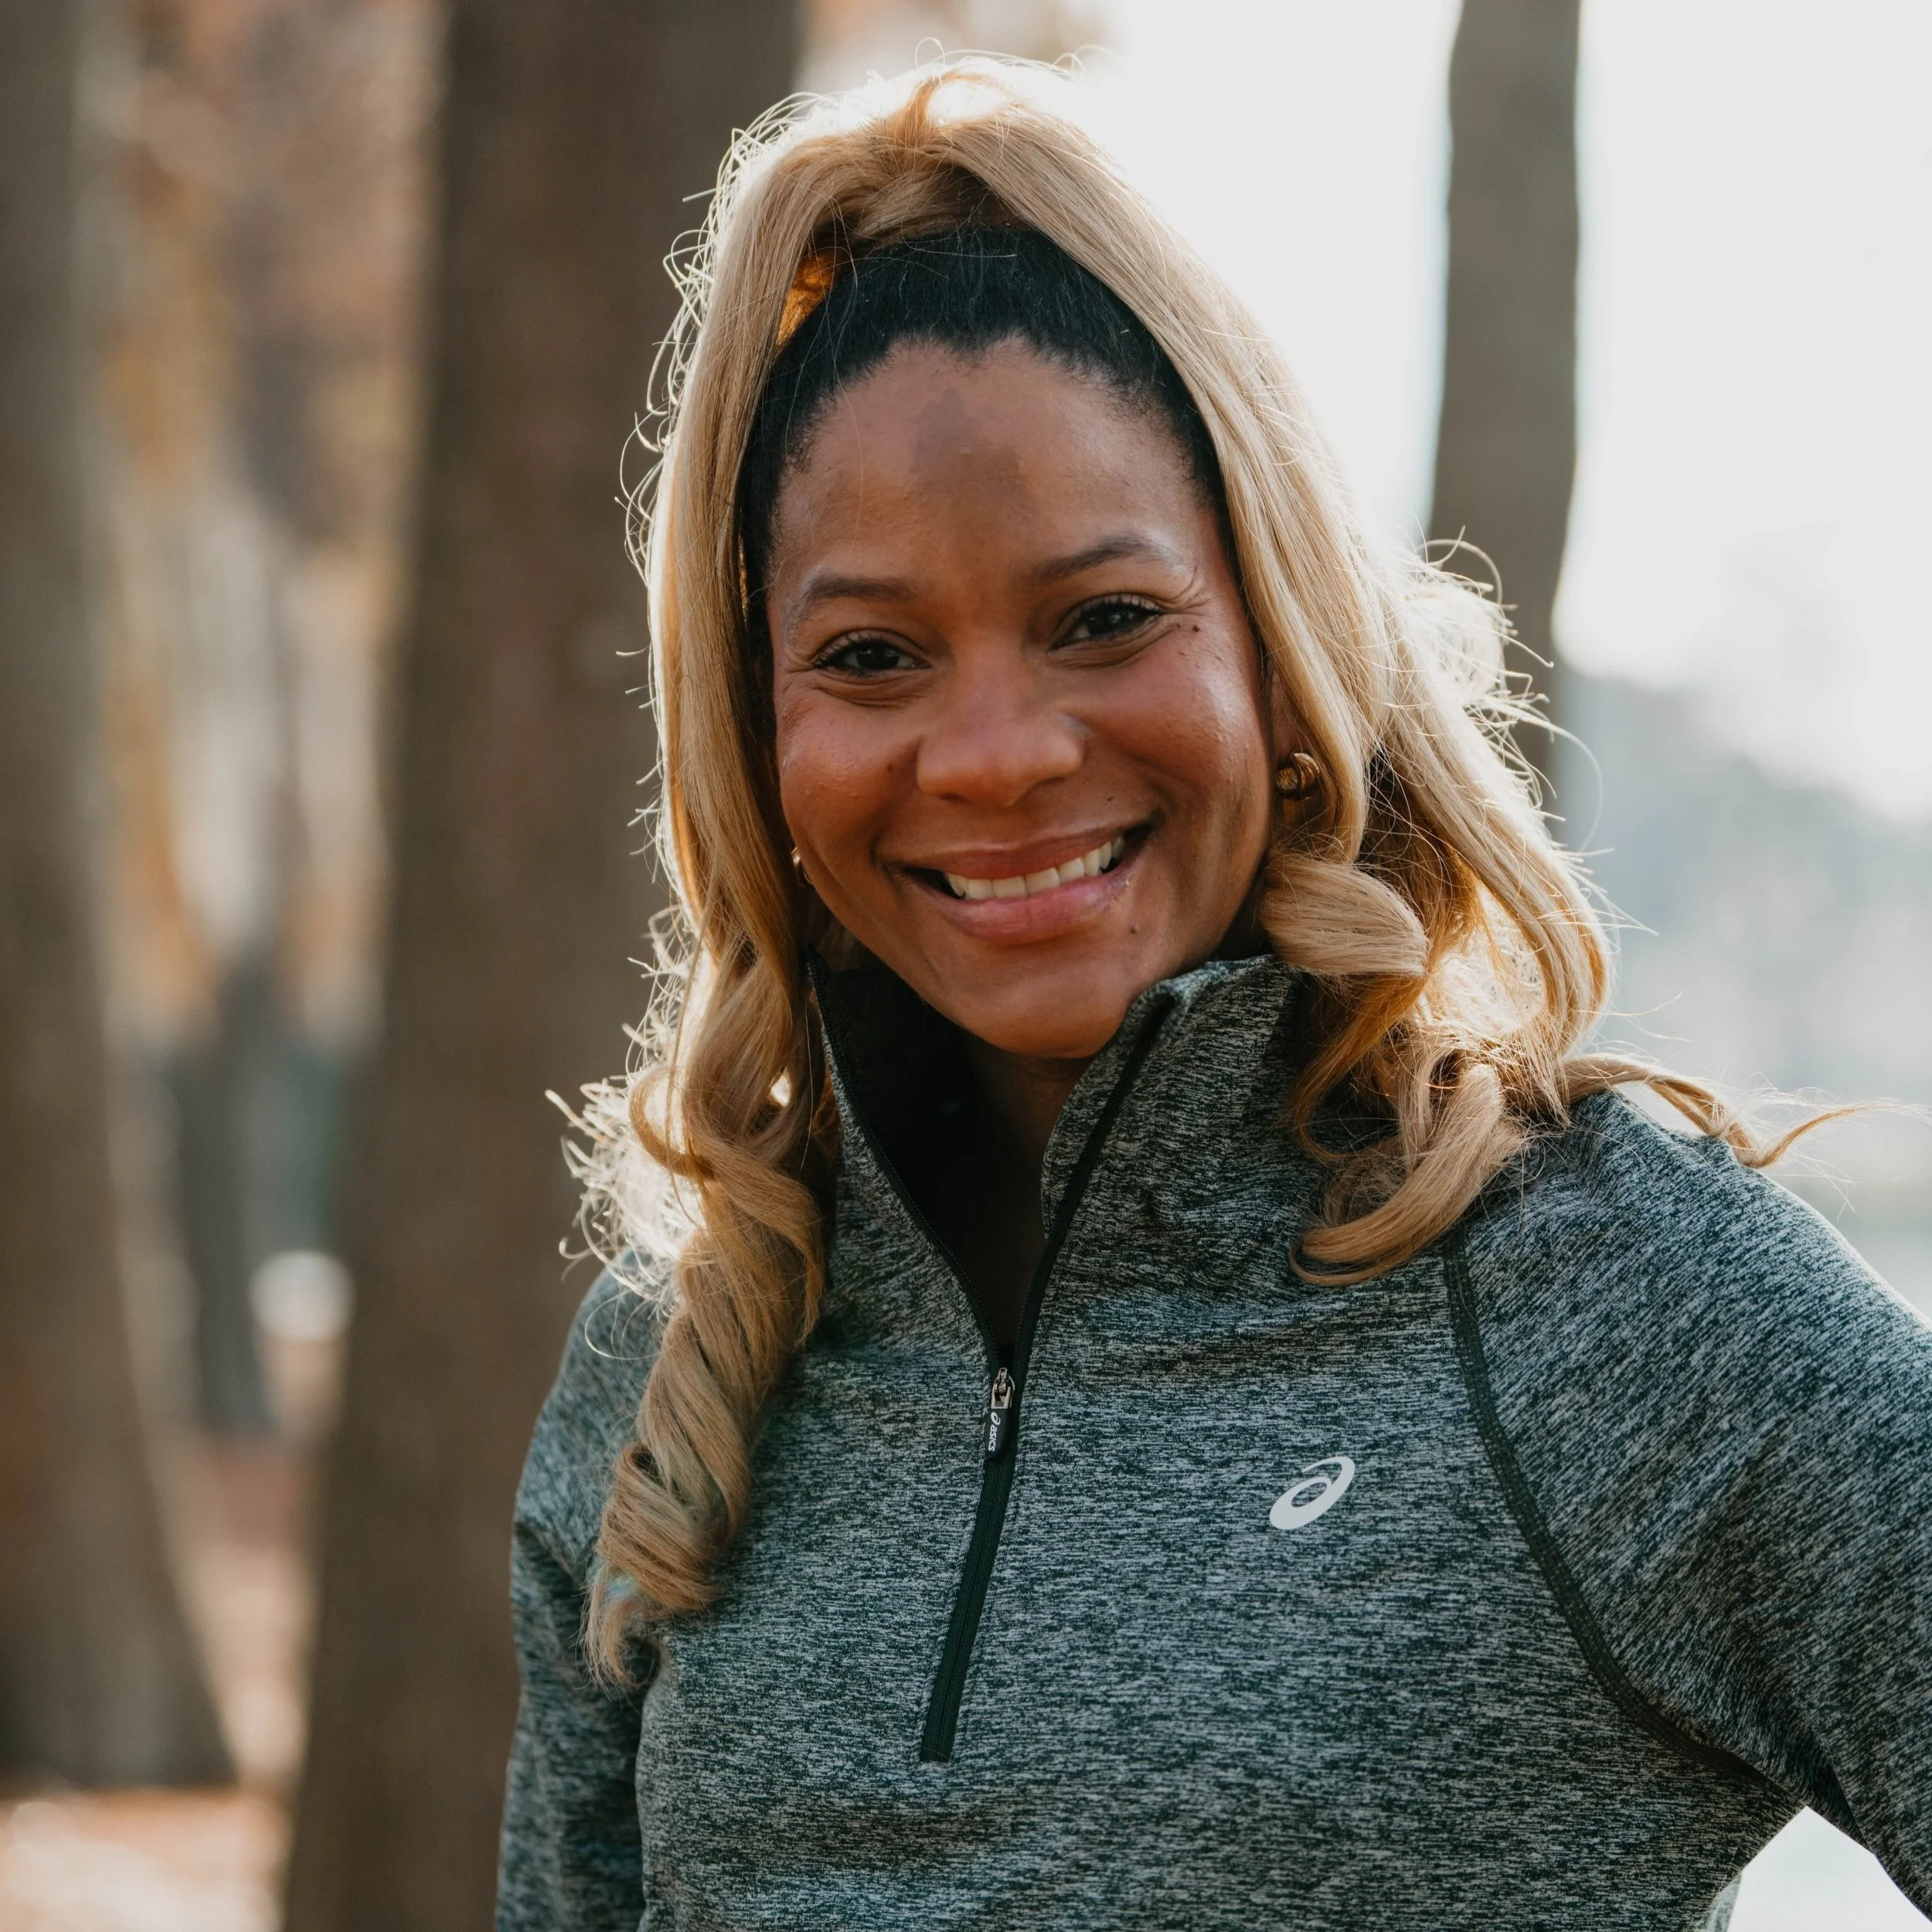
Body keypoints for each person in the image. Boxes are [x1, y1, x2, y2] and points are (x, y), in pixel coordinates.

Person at [495, 62, 1932, 1932]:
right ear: (755, 725)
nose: (996, 753)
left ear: (1275, 634)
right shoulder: (683, 1357)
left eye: (1103, 617)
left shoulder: (1612, 1297)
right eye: (869, 653)